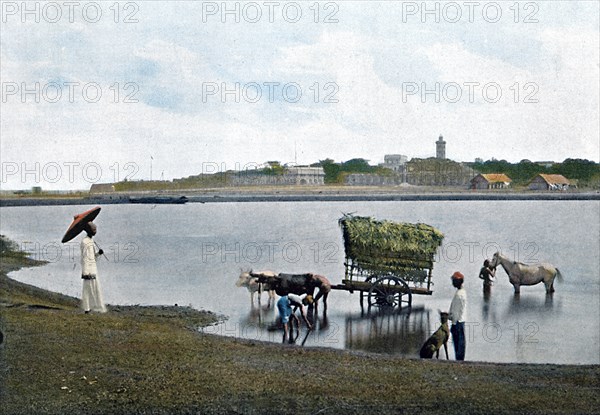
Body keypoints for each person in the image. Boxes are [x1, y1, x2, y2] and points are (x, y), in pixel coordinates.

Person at [80, 222, 107, 313]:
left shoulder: (91, 241)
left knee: (95, 288)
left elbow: (92, 257)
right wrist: (85, 272)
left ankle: (95, 307)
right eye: (93, 229)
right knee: (87, 289)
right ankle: (87, 308)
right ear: (88, 230)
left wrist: (98, 254)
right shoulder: (84, 242)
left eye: (96, 229)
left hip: (93, 268)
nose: (95, 231)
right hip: (88, 269)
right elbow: (84, 258)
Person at [448, 271, 467, 361]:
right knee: (460, 343)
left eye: (454, 281)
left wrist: (452, 320)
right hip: (460, 321)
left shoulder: (459, 295)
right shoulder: (462, 292)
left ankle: (459, 360)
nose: (453, 282)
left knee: (458, 343)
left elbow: (456, 311)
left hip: (457, 322)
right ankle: (459, 360)